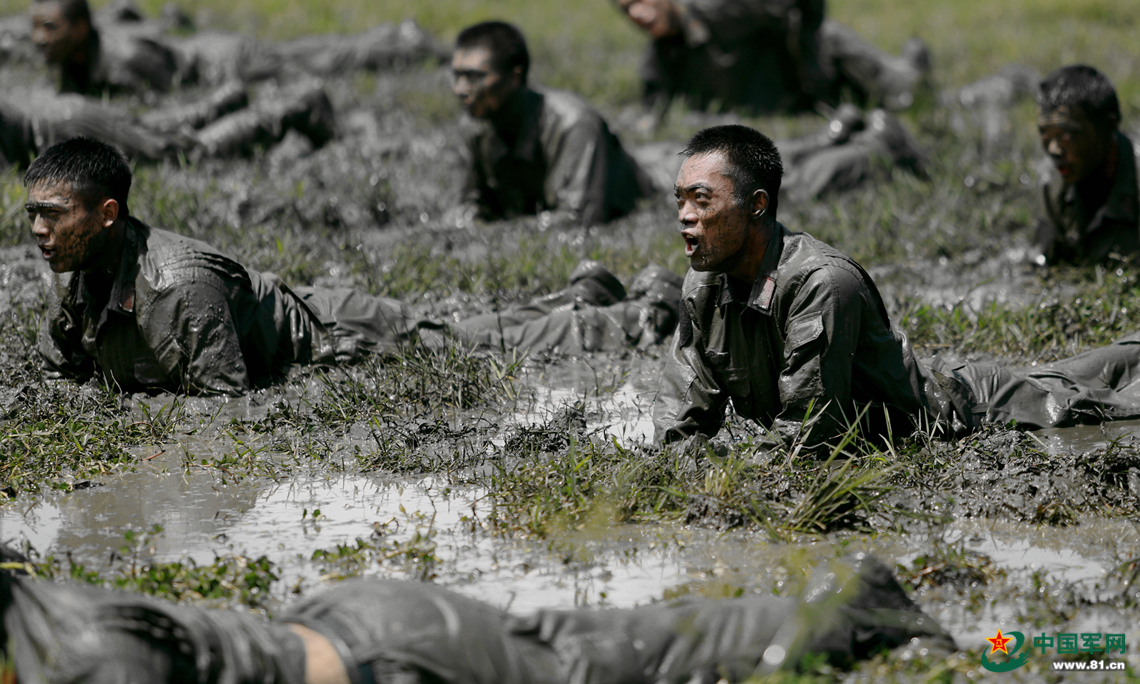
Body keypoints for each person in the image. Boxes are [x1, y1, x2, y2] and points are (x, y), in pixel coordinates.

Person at [30, 138, 681, 396]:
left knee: (478, 346)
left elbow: (224, 410)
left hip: (342, 338)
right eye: (32, 214)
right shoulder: (79, 272)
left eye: (52, 214)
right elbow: (61, 372)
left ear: (109, 213)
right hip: (317, 317)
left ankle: (636, 317)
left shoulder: (175, 287)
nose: (37, 231)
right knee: (463, 329)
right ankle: (585, 294)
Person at [652, 124, 1140, 449]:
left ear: (757, 205)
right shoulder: (705, 284)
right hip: (945, 385)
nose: (685, 218)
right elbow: (683, 406)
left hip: (966, 411)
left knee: (1091, 404)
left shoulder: (821, 283)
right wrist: (677, 459)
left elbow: (808, 436)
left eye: (701, 200)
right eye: (680, 200)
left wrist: (720, 474)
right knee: (1077, 373)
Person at [0, 548, 954, 683]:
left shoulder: (85, 664)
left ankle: (853, 612)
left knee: (633, 663)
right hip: (353, 627)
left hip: (394, 659)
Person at [452, 21, 656, 227]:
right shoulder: (476, 126)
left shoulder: (574, 124)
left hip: (661, 181)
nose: (460, 89)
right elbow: (467, 206)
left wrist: (492, 231)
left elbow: (580, 218)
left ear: (515, 77)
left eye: (474, 77)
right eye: (457, 76)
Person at [29, 0, 447, 97]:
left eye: (51, 28)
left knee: (326, 62)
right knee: (308, 51)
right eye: (35, 28)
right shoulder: (79, 56)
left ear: (82, 28)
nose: (39, 38)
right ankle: (395, 36)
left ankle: (408, 45)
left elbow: (173, 97)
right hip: (213, 51)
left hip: (225, 61)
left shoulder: (125, 58)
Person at [613, 0, 930, 118]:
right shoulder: (661, 56)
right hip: (791, 100)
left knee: (907, 94)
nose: (637, 14)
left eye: (640, 1)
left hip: (823, 66)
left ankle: (912, 66)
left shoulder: (721, 9)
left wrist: (811, 71)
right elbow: (651, 111)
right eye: (626, 9)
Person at [1030, 65, 1138, 266]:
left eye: (1067, 134)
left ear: (1110, 126)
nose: (1054, 149)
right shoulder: (1052, 182)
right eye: (1045, 132)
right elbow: (1042, 264)